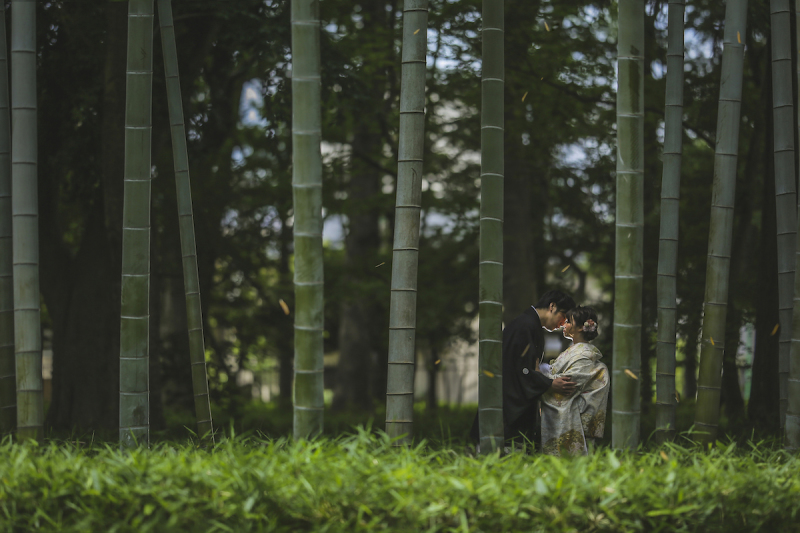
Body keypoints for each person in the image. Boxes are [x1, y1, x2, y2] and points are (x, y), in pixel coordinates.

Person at [470, 290, 578, 450]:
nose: (563, 323)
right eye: (563, 317)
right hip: (507, 408)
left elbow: (527, 369)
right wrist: (549, 384)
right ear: (552, 306)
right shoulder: (525, 326)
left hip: (508, 403)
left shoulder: (528, 324)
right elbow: (523, 371)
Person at [540, 306, 609, 456]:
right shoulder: (575, 351)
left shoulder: (584, 356)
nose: (564, 325)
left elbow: (567, 383)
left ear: (580, 328)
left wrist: (539, 374)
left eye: (568, 322)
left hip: (576, 415)